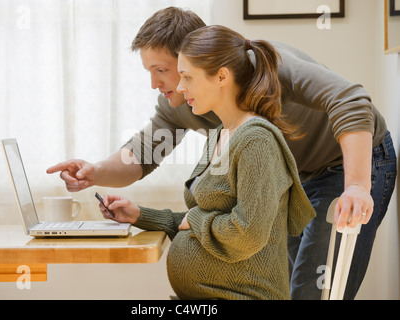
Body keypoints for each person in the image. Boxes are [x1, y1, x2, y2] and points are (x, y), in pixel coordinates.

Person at [47, 7, 397, 299]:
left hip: (344, 163)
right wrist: (93, 171)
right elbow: (141, 153)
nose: (155, 83)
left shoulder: (270, 68)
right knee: (289, 288)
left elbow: (351, 100)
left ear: (199, 58)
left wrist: (356, 186)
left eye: (162, 71)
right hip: (292, 178)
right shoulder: (183, 102)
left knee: (313, 291)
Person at [98, 25, 316, 299]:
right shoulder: (219, 134)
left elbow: (246, 233)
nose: (179, 86)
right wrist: (140, 215)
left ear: (221, 76)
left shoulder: (256, 142)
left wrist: (198, 218)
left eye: (187, 77)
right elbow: (198, 221)